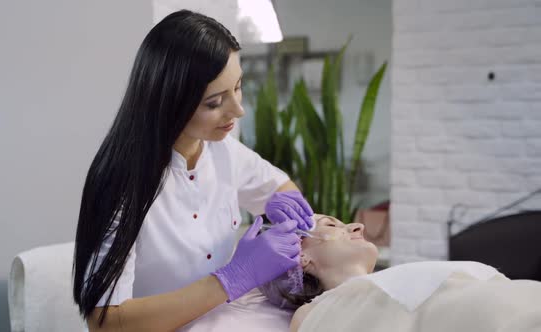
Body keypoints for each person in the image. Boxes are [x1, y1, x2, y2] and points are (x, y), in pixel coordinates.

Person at [72, 10, 315, 332]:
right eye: (214, 102)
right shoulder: (119, 185)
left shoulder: (223, 150)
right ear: (168, 100)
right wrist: (233, 278)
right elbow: (104, 323)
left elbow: (280, 188)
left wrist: (285, 210)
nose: (237, 110)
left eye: (238, 87)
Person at [259, 215, 541, 331]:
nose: (357, 226)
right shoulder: (310, 314)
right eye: (332, 226)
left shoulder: (402, 278)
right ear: (301, 256)